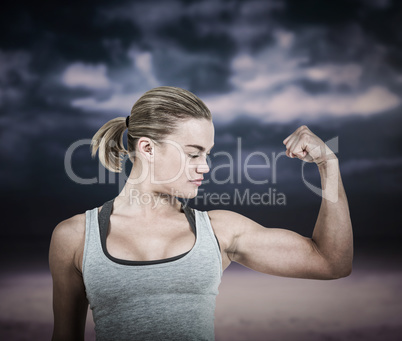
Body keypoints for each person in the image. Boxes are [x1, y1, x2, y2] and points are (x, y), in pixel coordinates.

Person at [49, 86, 353, 341]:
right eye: (194, 153)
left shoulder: (219, 231)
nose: (205, 166)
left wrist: (328, 164)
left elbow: (332, 262)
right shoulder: (76, 237)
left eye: (207, 154)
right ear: (147, 148)